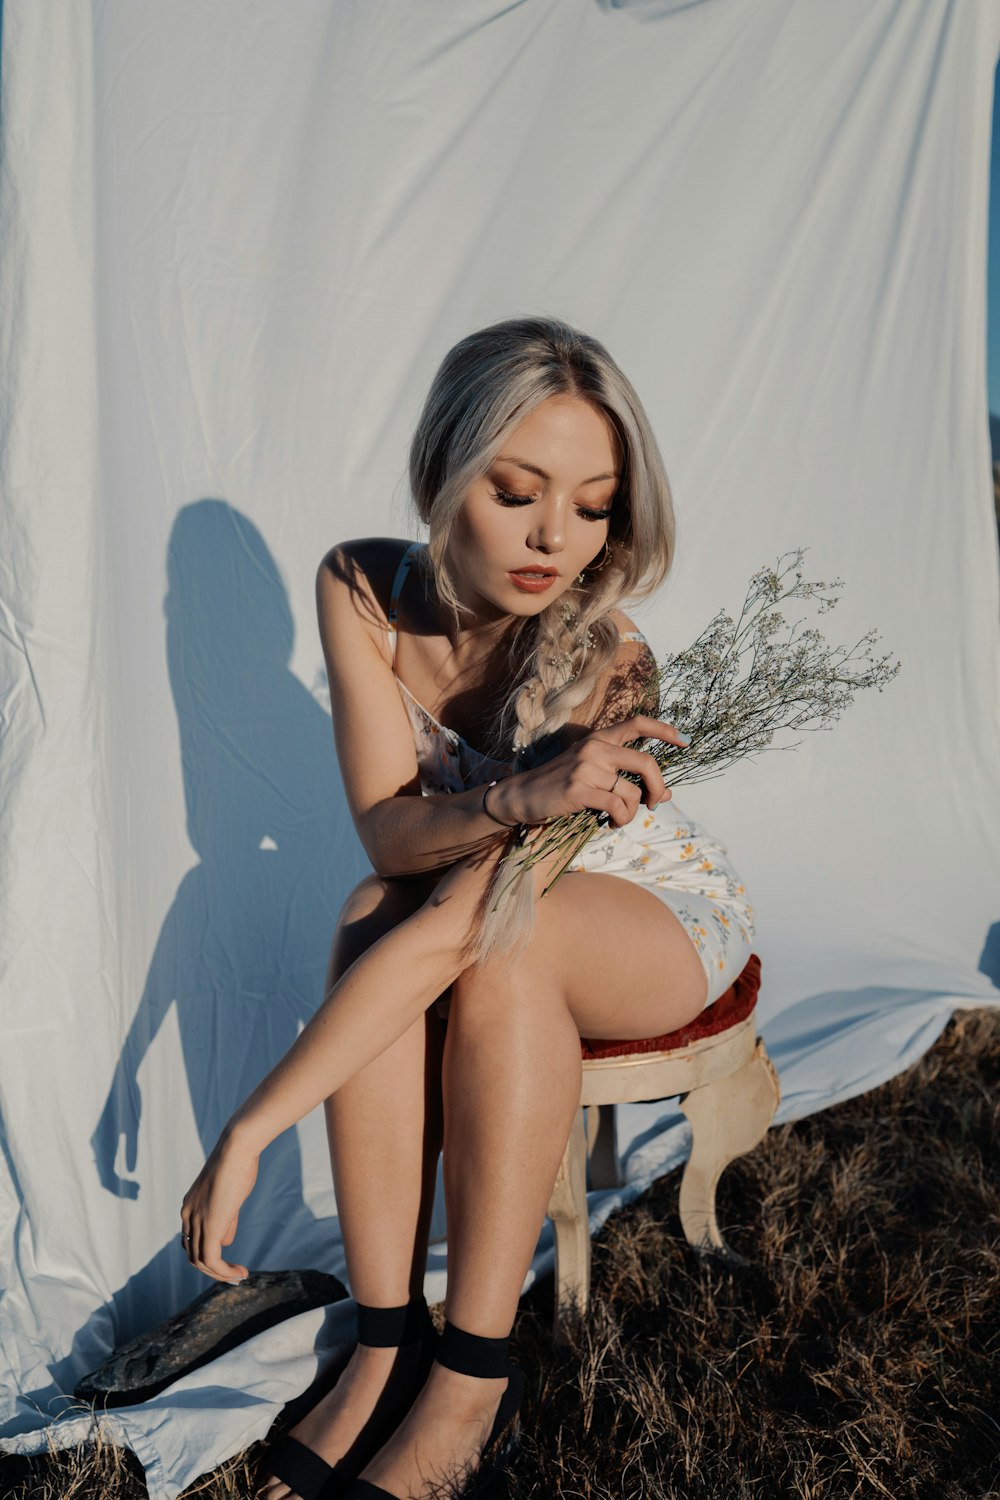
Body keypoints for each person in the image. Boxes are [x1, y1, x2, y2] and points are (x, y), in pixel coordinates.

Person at [179, 316, 756, 1500]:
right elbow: (392, 833)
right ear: (445, 473)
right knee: (365, 908)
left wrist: (250, 1129)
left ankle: (473, 1375)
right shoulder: (362, 587)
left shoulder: (606, 656)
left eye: (595, 504)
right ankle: (387, 1339)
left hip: (655, 914)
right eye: (516, 490)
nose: (559, 537)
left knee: (501, 947)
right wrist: (518, 789)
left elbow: (465, 922)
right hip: (483, 886)